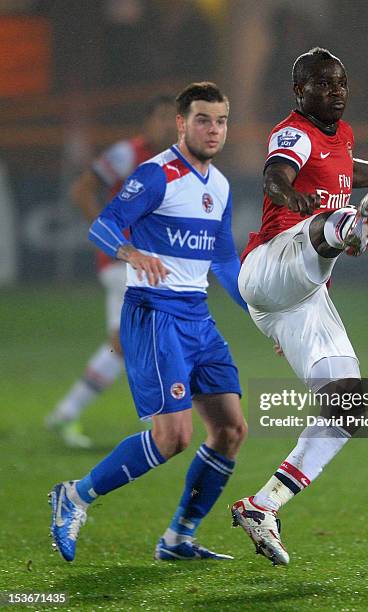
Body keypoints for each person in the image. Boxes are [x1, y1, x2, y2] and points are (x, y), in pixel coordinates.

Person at [231, 48, 368, 565]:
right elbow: (274, 176)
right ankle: (348, 231)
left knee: (350, 404)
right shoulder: (292, 133)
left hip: (303, 298)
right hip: (271, 264)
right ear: (299, 91)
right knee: (328, 227)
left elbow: (347, 166)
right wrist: (290, 197)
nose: (336, 91)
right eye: (323, 83)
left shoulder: (342, 135)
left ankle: (263, 506)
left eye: (341, 82)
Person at [49, 82, 248, 562]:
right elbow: (103, 224)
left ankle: (179, 537)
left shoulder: (218, 185)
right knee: (173, 437)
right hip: (155, 314)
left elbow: (224, 261)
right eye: (203, 119)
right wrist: (130, 251)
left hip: (197, 317)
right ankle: (74, 496)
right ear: (182, 123)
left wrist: (266, 314)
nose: (214, 129)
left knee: (230, 431)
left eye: (221, 120)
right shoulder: (157, 174)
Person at [46, 96, 173, 448]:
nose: (167, 125)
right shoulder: (127, 153)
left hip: (146, 264)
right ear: (147, 122)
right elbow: (81, 189)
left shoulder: (172, 161)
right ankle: (153, 421)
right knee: (139, 337)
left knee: (126, 341)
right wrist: (110, 237)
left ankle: (67, 413)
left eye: (172, 119)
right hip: (124, 263)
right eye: (161, 117)